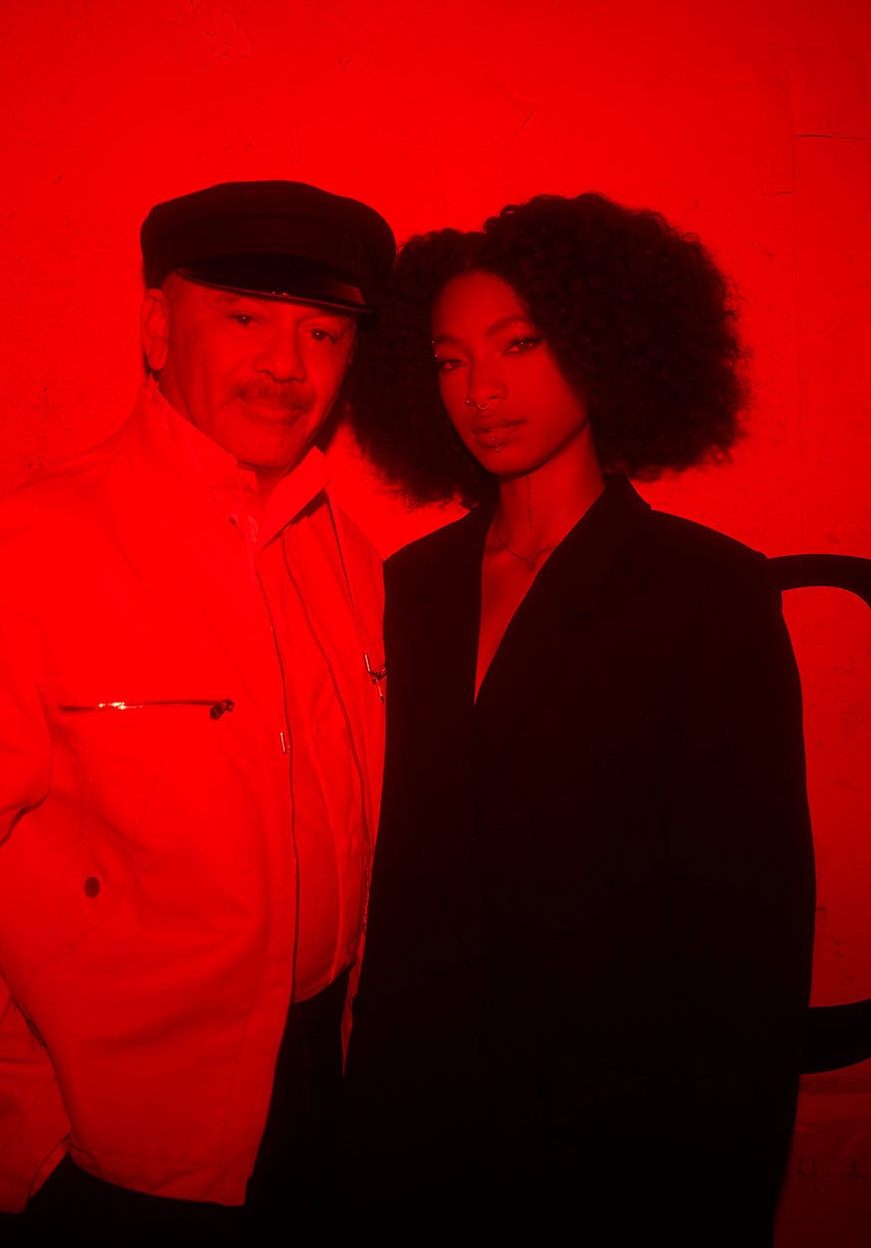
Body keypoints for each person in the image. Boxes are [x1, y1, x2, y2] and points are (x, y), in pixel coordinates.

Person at [0, 180, 394, 1243]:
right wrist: (17, 1133)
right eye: (244, 319)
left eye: (322, 333)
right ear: (156, 330)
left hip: (324, 1091)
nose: (287, 365)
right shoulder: (15, 564)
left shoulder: (348, 561)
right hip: (112, 1142)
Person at [340, 193, 816, 1246]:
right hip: (408, 1144)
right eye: (450, 360)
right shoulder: (407, 589)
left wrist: (717, 1195)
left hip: (620, 1157)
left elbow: (751, 943)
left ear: (603, 343)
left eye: (520, 344)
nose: (482, 389)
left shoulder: (707, 592)